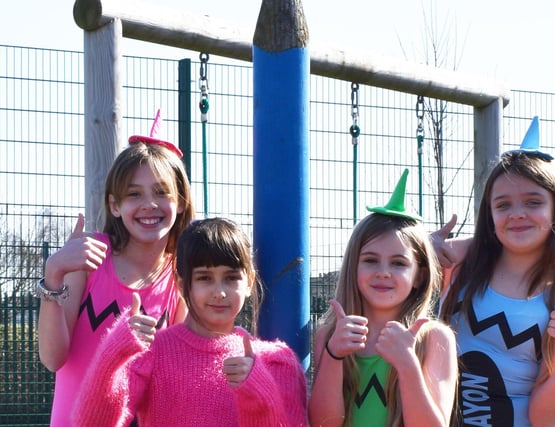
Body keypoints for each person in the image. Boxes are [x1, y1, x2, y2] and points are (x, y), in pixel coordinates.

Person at [438, 116, 555, 426]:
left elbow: (544, 418)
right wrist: (421, 245)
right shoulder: (464, 260)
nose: (517, 214)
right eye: (503, 204)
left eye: (533, 202)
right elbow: (403, 262)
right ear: (489, 214)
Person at [35, 110, 195, 426]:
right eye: (134, 194)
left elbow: (176, 377)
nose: (149, 204)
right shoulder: (89, 258)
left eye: (162, 192)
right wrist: (54, 273)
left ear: (180, 202)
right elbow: (53, 358)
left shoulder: (182, 276)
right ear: (114, 206)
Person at [71, 217, 308, 427]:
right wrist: (114, 353)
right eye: (204, 278)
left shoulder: (276, 362)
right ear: (182, 284)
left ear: (249, 282)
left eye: (231, 278)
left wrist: (259, 392)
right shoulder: (153, 353)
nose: (220, 292)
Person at [308, 169, 458, 427]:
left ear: (420, 277)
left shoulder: (435, 339)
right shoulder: (330, 336)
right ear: (353, 266)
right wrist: (334, 355)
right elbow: (324, 423)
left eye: (399, 263)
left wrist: (407, 364)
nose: (383, 273)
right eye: (370, 260)